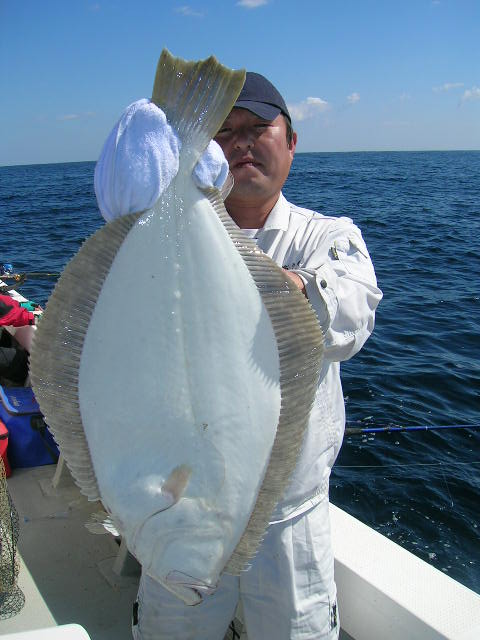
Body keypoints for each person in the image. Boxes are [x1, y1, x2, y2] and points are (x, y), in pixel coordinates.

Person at [95, 72, 382, 640]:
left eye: (258, 128)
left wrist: (281, 289)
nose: (242, 143)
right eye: (224, 132)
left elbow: (351, 314)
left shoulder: (326, 236)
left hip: (289, 523)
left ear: (291, 142)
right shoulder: (161, 239)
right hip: (180, 506)